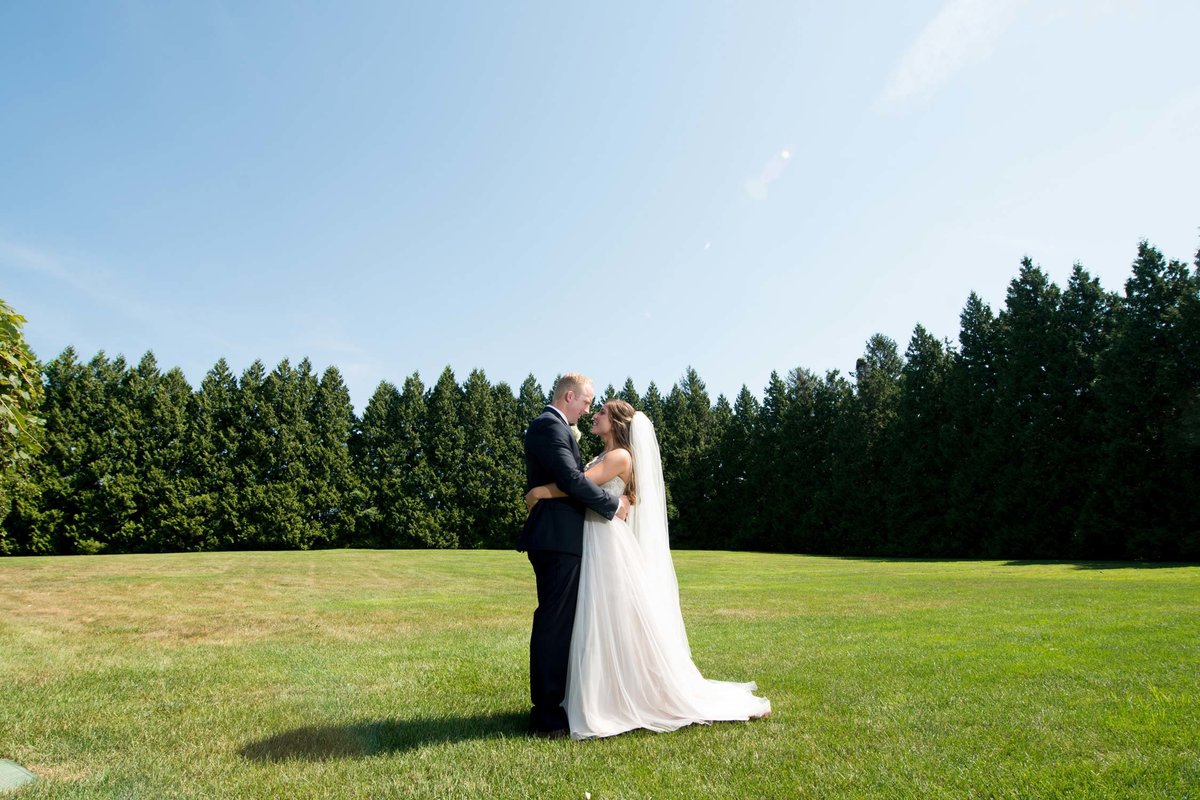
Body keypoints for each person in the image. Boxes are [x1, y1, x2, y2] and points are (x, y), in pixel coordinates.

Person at [526, 399, 770, 739]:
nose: (594, 415)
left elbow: (574, 484)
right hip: (594, 538)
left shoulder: (620, 456)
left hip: (607, 540)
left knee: (613, 617)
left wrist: (539, 491)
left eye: (601, 413)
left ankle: (624, 695)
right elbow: (578, 481)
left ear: (616, 422)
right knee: (599, 618)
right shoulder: (605, 454)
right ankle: (597, 691)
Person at [516, 373, 631, 739]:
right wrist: (612, 506)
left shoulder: (559, 428)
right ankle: (547, 716)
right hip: (557, 539)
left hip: (567, 538)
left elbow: (571, 479)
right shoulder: (548, 426)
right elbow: (571, 478)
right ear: (569, 396)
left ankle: (563, 702)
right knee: (554, 624)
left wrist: (542, 492)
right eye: (586, 401)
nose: (588, 408)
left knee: (565, 624)